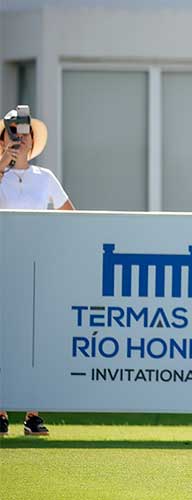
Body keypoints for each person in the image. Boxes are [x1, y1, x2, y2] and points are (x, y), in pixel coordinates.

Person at [0, 106, 71, 437]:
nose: (20, 138)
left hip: (36, 266)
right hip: (4, 263)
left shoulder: (45, 178)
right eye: (12, 132)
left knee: (33, 340)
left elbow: (71, 216)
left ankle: (32, 414)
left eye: (24, 132)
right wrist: (3, 165)